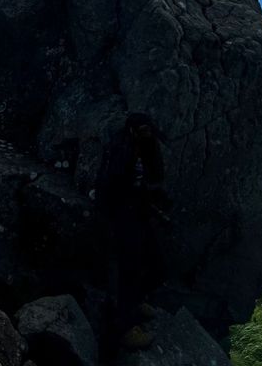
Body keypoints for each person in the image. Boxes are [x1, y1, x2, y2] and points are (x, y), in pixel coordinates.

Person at [96, 112, 170, 353]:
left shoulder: (146, 146)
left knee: (156, 265)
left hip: (138, 212)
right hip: (120, 215)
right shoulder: (121, 149)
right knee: (128, 270)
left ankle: (137, 301)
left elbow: (155, 177)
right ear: (133, 131)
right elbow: (110, 187)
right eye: (144, 131)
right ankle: (125, 330)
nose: (148, 135)